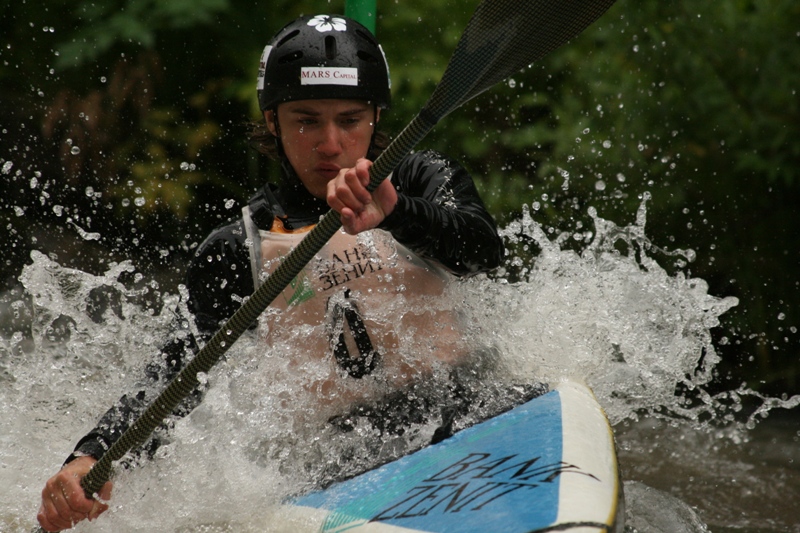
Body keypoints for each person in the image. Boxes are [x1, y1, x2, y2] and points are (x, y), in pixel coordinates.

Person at [37, 14, 505, 532]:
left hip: (474, 413)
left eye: (350, 120)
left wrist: (398, 214)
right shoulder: (240, 245)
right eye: (306, 120)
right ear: (273, 122)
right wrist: (91, 454)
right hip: (345, 462)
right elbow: (178, 376)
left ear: (375, 117)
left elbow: (484, 252)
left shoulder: (419, 178)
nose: (330, 143)